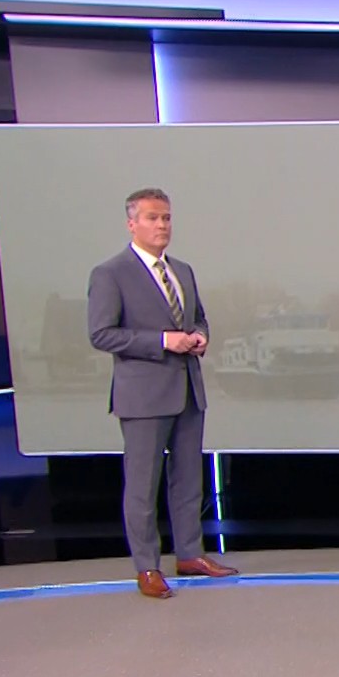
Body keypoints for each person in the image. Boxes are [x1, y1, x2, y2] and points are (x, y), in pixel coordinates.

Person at [87, 188, 239, 597]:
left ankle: (190, 554)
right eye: (153, 218)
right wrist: (162, 341)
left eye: (167, 218)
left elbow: (199, 318)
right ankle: (147, 568)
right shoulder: (111, 273)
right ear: (131, 224)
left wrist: (200, 337)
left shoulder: (182, 271)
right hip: (143, 397)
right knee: (142, 486)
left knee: (188, 480)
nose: (162, 225)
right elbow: (101, 334)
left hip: (188, 390)